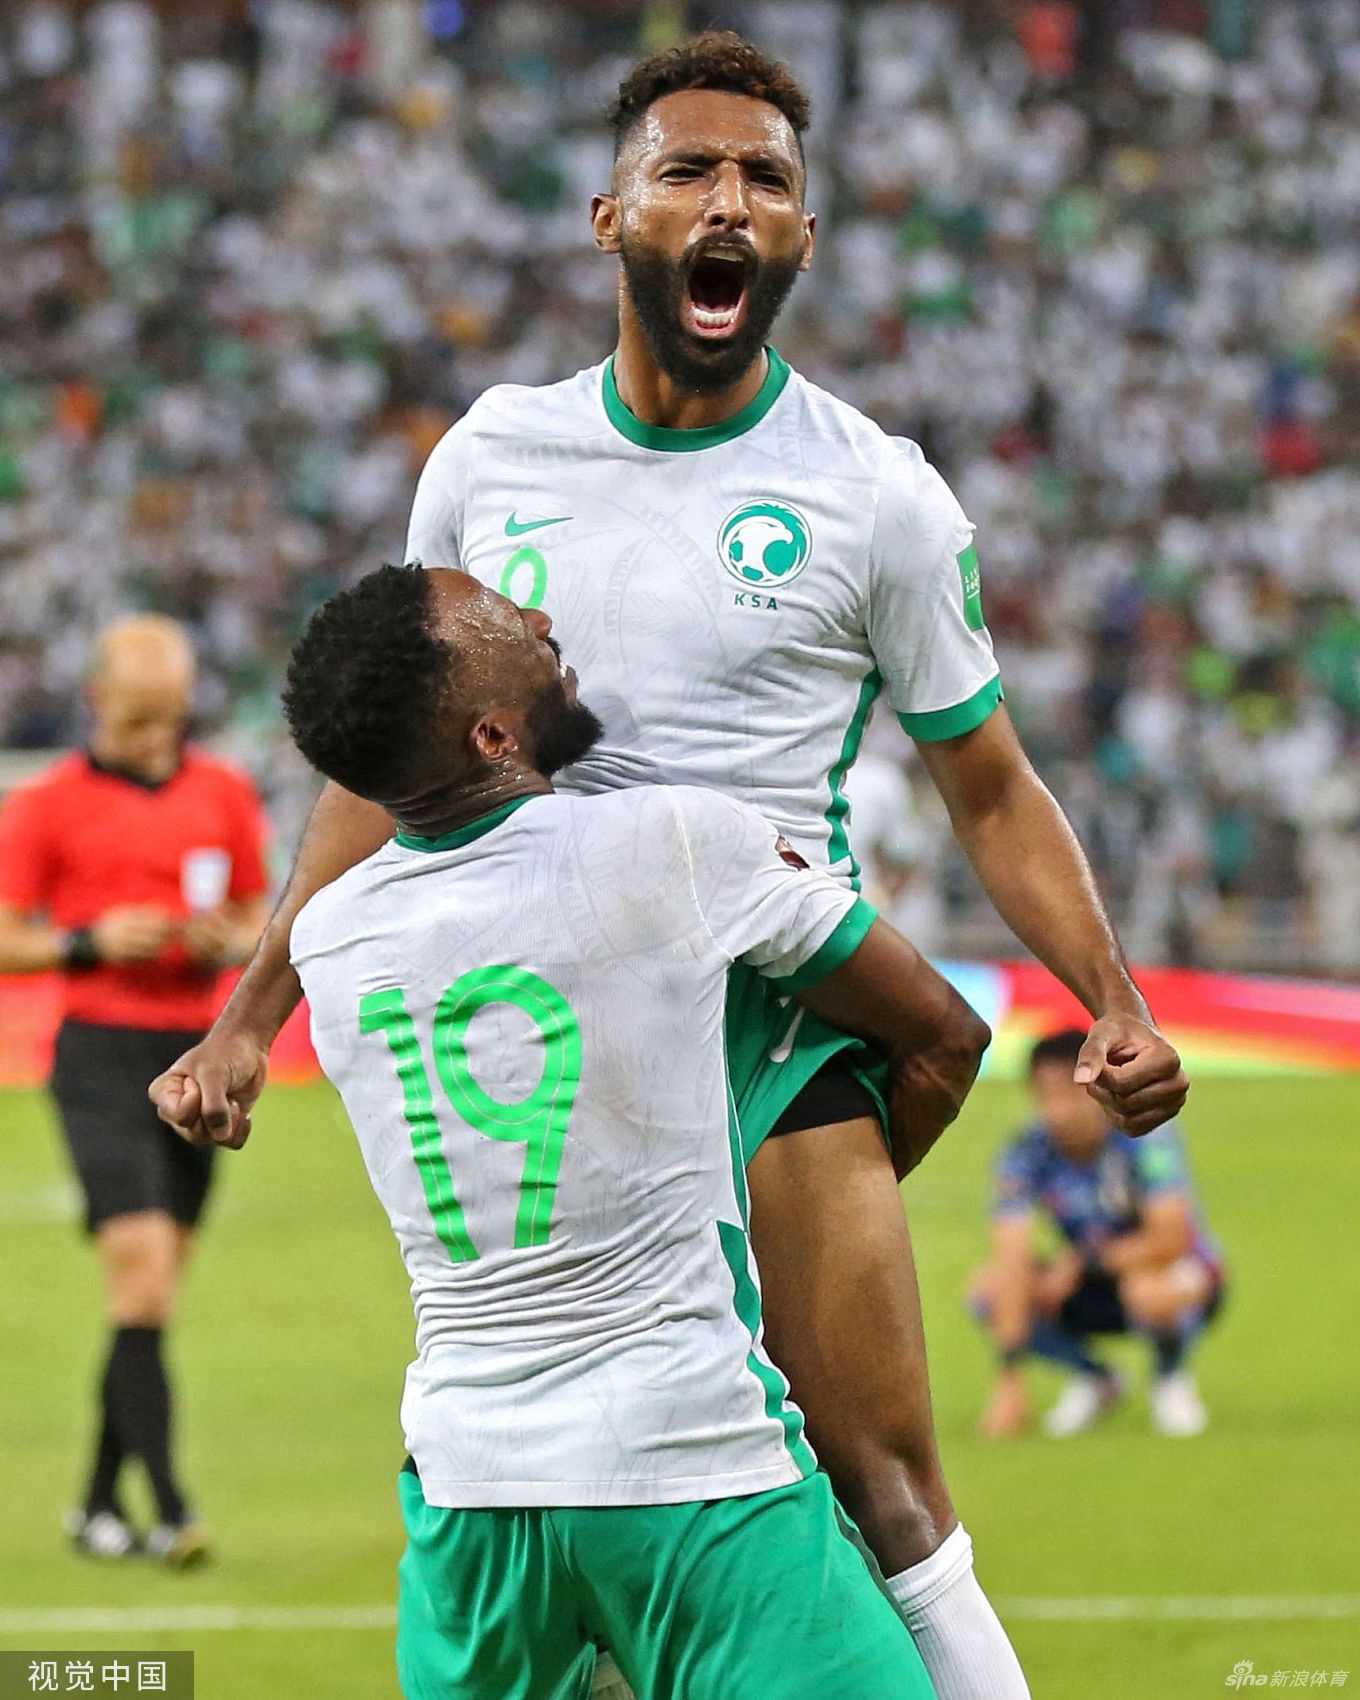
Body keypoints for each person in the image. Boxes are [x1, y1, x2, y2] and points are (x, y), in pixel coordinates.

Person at [152, 32, 1189, 1697]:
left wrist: (1112, 998)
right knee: (591, 1493)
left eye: (767, 179)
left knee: (883, 1488)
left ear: (803, 235)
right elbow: (385, 756)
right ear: (608, 215)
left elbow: (990, 785)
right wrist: (246, 1017)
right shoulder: (493, 454)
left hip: (776, 1023)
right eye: (689, 169)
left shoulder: (875, 496)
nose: (729, 202)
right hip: (549, 1030)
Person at [223, 561, 988, 1699]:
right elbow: (944, 1036)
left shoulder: (330, 943)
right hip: (694, 1468)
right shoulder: (672, 843)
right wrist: (804, 1212)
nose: (540, 616)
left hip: (469, 1504)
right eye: (504, 622)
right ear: (492, 735)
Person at [0, 615, 269, 1564]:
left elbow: (259, 913)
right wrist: (90, 941)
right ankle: (173, 1511)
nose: (158, 737)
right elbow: (7, 935)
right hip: (102, 1054)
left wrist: (226, 940)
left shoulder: (224, 791)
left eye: (171, 717)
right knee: (143, 1279)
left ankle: (93, 1508)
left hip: (198, 1052)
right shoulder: (46, 803)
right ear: (97, 700)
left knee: (146, 1302)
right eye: (138, 718)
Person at [970, 1028, 1225, 1441]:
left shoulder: (1144, 1137)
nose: (1057, 1111)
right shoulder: (1026, 1152)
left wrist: (1081, 1261)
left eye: (1068, 1095)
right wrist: (1010, 1377)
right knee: (989, 1291)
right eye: (1044, 1095)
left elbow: (1170, 1239)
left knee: (1149, 1290)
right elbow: (1012, 1254)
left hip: (1174, 1272)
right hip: (1092, 1281)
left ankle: (1170, 1378)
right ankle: (1098, 1379)